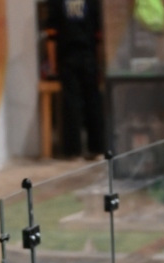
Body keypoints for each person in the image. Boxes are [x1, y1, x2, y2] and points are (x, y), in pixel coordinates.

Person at [49, 0, 105, 159]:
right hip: (89, 56)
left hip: (67, 58)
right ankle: (97, 148)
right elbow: (98, 37)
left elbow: (51, 37)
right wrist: (100, 64)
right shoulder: (92, 2)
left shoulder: (57, 3)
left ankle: (73, 150)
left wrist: (53, 65)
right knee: (93, 101)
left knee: (71, 103)